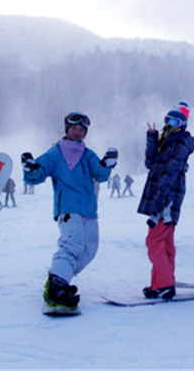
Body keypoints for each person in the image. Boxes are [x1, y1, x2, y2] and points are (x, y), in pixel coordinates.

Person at [23, 112, 117, 314]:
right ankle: (56, 287)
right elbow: (36, 175)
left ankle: (60, 280)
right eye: (74, 128)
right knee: (72, 246)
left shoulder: (87, 153)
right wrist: (30, 169)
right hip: (68, 208)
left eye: (82, 130)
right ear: (66, 129)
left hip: (89, 210)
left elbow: (100, 175)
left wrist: (107, 165)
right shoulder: (55, 153)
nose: (78, 132)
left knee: (90, 249)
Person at [137, 102, 194, 300]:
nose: (170, 124)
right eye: (168, 120)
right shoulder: (167, 141)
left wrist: (160, 199)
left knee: (154, 241)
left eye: (175, 121)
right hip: (162, 196)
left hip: (166, 199)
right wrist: (152, 139)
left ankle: (164, 284)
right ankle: (160, 284)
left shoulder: (180, 143)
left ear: (183, 124)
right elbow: (150, 163)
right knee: (164, 243)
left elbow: (170, 171)